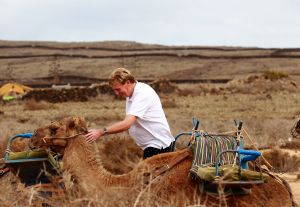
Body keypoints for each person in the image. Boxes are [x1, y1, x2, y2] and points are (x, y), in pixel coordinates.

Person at [85, 68, 175, 159]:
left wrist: (100, 132)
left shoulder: (142, 94)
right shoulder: (131, 93)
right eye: (114, 90)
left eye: (118, 89)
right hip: (152, 146)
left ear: (128, 82)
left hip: (159, 146)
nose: (117, 93)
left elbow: (127, 124)